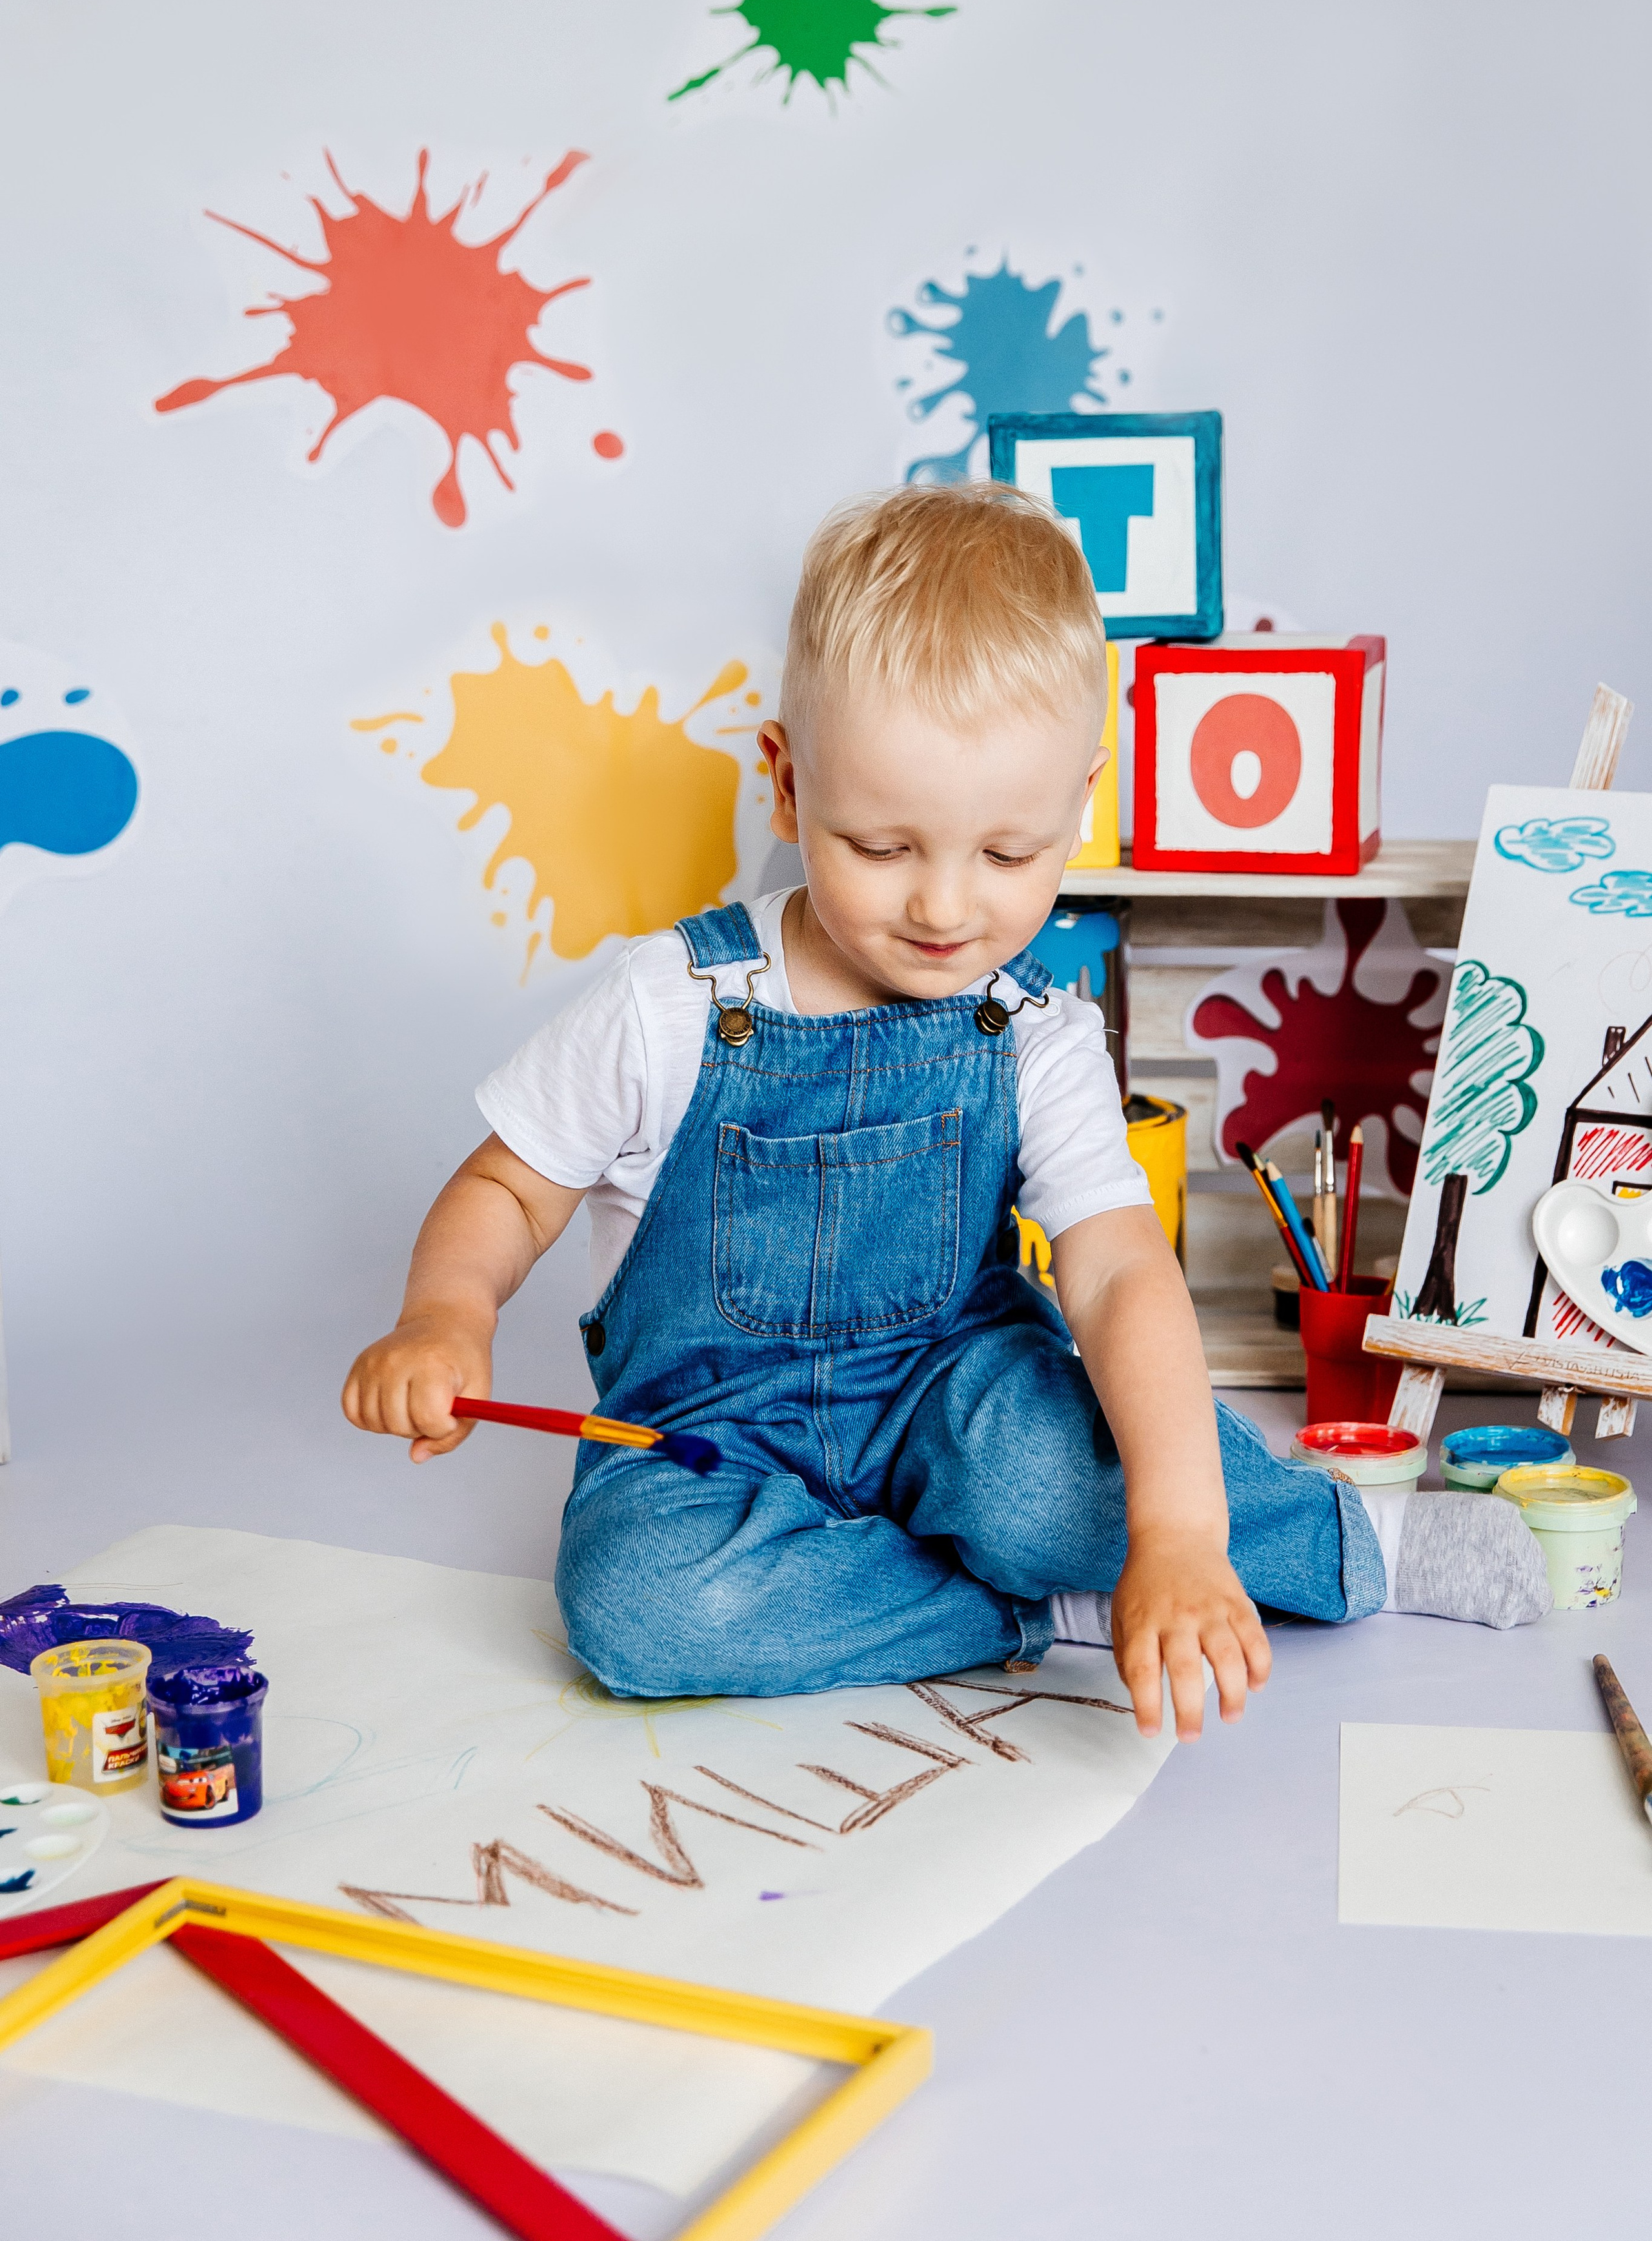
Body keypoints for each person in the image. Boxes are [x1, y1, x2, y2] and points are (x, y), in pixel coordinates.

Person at [343, 483, 1549, 1739]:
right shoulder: (669, 1002)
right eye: (881, 847)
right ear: (787, 783)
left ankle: (1348, 1540)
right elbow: (506, 1187)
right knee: (638, 1615)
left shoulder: (1026, 1029)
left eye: (1008, 853)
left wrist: (1180, 1534)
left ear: (1076, 805)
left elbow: (1118, 1276)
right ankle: (1037, 1613)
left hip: (949, 1392)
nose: (942, 907)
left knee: (1054, 1486)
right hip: (706, 1437)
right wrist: (442, 1315)